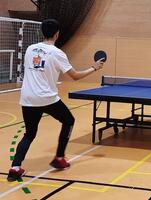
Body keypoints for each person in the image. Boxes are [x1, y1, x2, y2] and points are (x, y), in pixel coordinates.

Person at [7, 19, 104, 182]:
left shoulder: (30, 49)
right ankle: (59, 158)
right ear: (57, 34)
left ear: (42, 32)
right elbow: (75, 76)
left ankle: (15, 167)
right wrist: (94, 67)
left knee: (29, 134)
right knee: (69, 121)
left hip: (28, 98)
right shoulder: (57, 53)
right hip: (47, 98)